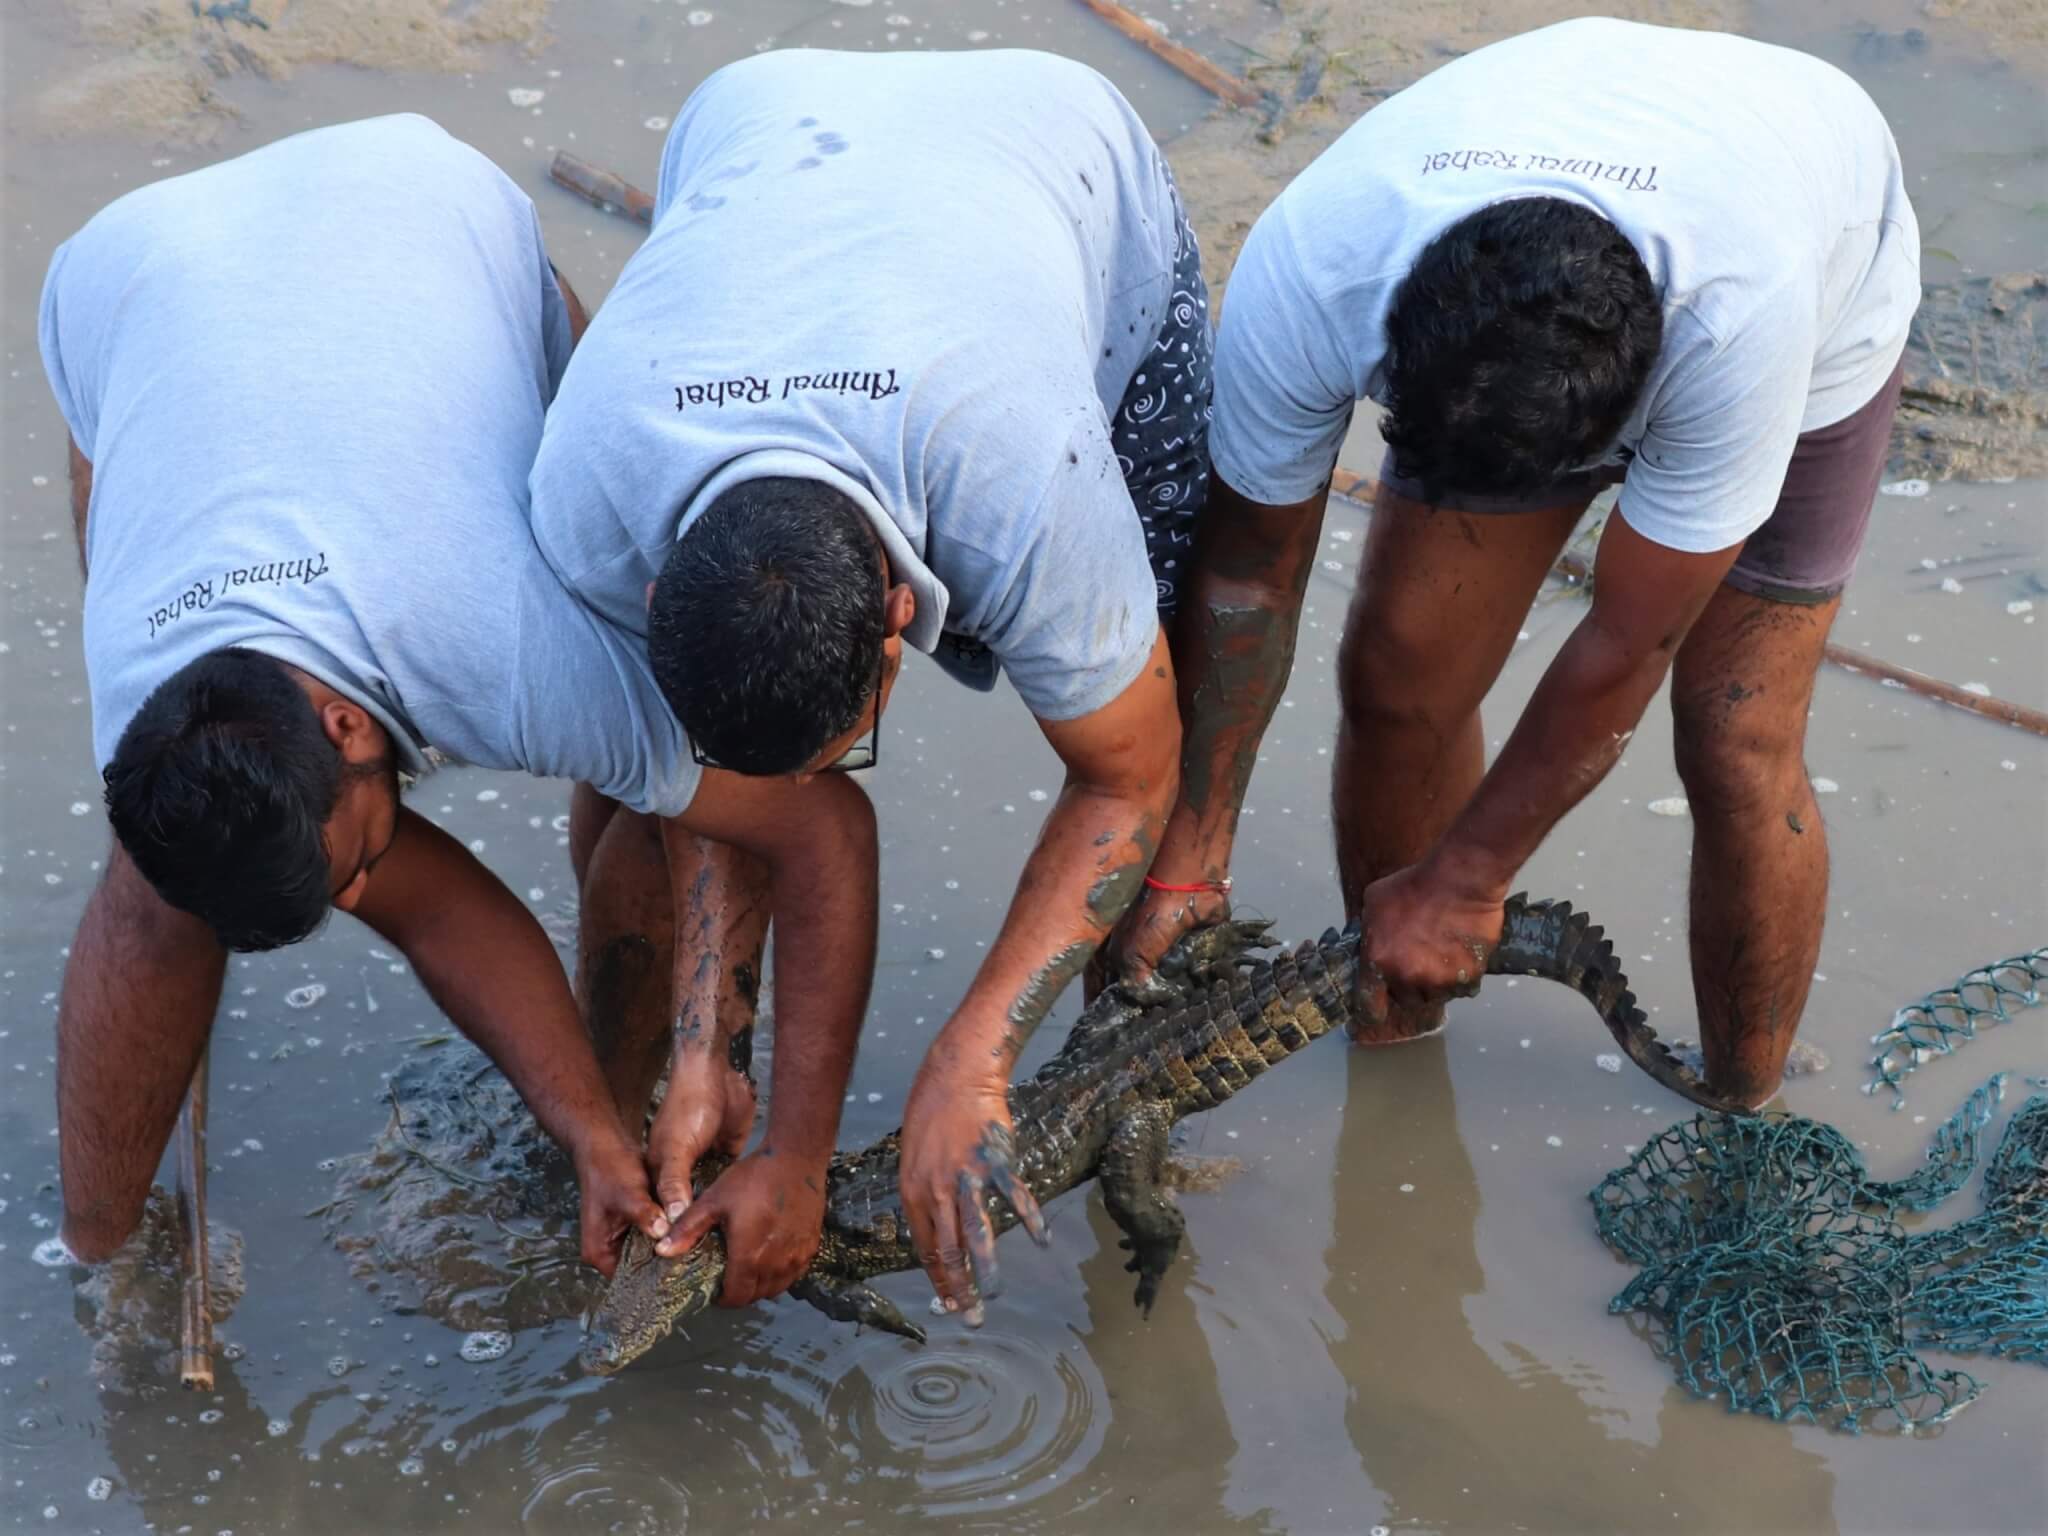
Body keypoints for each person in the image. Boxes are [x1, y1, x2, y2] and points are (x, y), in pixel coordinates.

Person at [528, 49, 1318, 1321]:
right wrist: (710, 1040)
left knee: (1165, 648)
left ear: (901, 620)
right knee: (657, 787)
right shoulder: (586, 485)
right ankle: (674, 1111)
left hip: (1060, 149)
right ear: (658, 596)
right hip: (761, 121)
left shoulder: (1026, 481)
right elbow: (711, 794)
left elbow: (1126, 769)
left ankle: (1162, 967)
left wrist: (975, 1049)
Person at [37, 113, 785, 1277]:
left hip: (423, 198)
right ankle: (99, 1257)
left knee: (659, 748)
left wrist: (707, 1047)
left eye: (351, 872)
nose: (372, 889)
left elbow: (743, 796)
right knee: (158, 890)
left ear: (345, 724)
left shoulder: (511, 632)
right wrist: (573, 1120)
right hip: (127, 279)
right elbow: (429, 903)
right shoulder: (145, 697)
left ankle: (634, 1120)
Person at [1208, 18, 1920, 1107]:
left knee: (1736, 735)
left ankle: (1738, 1102)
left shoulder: (1738, 321)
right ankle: (1398, 1034)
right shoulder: (1317, 264)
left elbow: (1628, 641)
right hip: (1538, 237)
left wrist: (1467, 876)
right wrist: (1188, 850)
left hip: (1806, 254)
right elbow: (1244, 576)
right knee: (1399, 675)